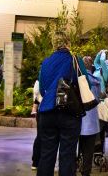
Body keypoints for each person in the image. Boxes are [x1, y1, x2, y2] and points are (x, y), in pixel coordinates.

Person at [37, 32, 82, 176]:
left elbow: (43, 89)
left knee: (46, 154)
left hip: (47, 112)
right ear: (68, 42)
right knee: (67, 155)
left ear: (53, 44)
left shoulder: (46, 62)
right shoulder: (74, 60)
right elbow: (83, 83)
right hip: (68, 113)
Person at [78, 56, 102, 176]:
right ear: (91, 66)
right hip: (92, 122)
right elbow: (98, 99)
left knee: (76, 146)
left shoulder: (78, 80)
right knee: (89, 150)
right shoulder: (97, 81)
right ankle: (86, 172)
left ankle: (75, 166)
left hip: (78, 120)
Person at [31, 79, 42, 170]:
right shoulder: (40, 80)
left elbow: (36, 97)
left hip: (41, 110)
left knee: (40, 136)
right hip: (43, 111)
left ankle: (36, 162)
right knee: (40, 137)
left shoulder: (40, 79)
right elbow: (37, 96)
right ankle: (36, 161)